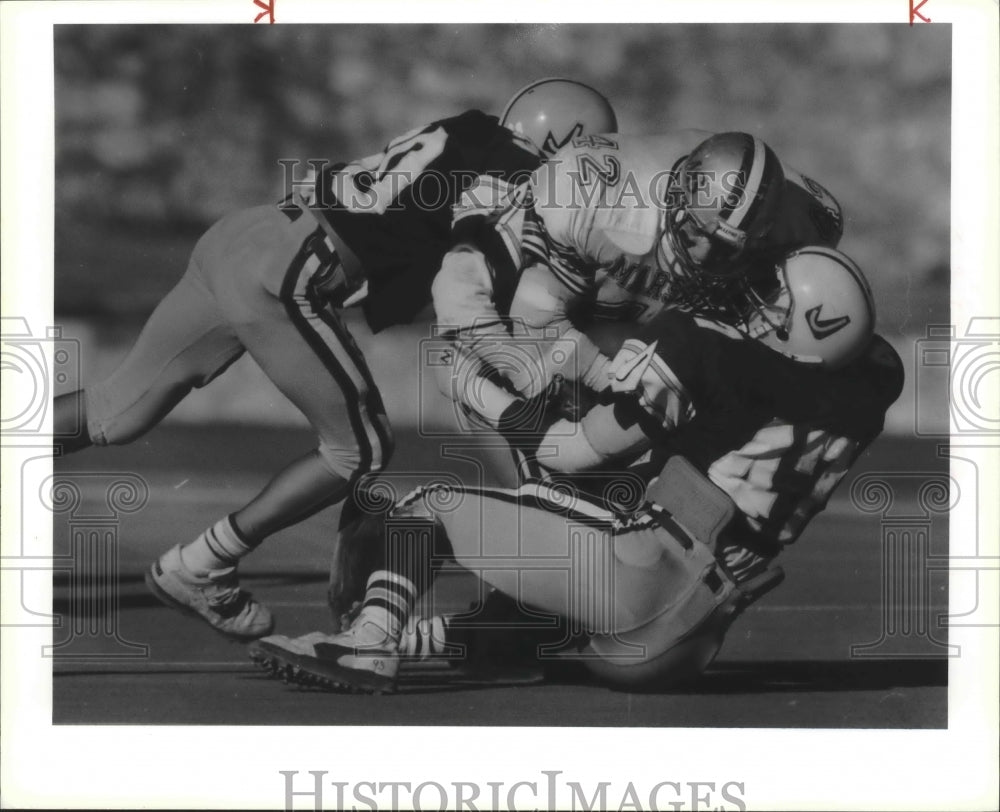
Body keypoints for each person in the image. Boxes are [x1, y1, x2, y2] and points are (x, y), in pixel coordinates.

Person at [51, 78, 618, 640]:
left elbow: (408, 222)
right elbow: (470, 256)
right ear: (567, 141)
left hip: (243, 234)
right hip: (291, 271)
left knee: (116, 410)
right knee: (360, 448)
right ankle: (201, 564)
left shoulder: (465, 128)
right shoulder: (515, 177)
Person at [249, 246, 904, 692]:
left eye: (769, 299)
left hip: (646, 579)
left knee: (429, 505)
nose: (750, 300)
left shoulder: (717, 353)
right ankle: (454, 643)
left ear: (803, 324)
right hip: (691, 639)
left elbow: (572, 448)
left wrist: (477, 392)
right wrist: (589, 363)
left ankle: (369, 638)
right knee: (567, 537)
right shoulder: (871, 384)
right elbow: (756, 401)